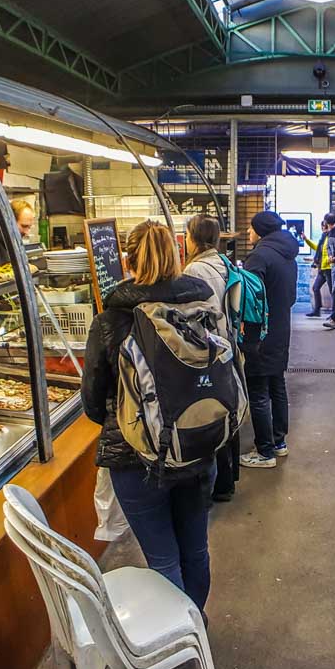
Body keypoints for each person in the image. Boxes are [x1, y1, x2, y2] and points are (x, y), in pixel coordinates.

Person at [81, 220, 218, 610]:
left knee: (163, 559)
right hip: (197, 443)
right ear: (178, 253)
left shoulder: (111, 320)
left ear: (128, 260)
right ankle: (195, 628)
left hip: (135, 456)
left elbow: (92, 401)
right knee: (196, 551)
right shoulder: (200, 304)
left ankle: (180, 636)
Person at [182, 214, 244, 502]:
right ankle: (227, 482)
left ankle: (217, 486)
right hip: (228, 344)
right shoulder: (222, 261)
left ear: (193, 238)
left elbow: (196, 315)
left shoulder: (196, 269)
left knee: (211, 414)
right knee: (226, 410)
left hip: (211, 350)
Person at [238, 210, 298, 469]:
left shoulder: (259, 256)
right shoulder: (288, 255)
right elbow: (292, 297)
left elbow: (249, 301)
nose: (249, 234)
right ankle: (278, 442)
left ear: (260, 230)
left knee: (259, 392)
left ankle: (264, 452)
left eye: (251, 229)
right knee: (277, 386)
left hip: (260, 336)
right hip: (281, 330)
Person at [304, 220, 332, 318]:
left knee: (334, 291)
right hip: (322, 268)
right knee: (315, 288)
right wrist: (306, 240)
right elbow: (318, 248)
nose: (323, 228)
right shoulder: (323, 238)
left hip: (328, 268)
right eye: (322, 227)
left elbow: (326, 251)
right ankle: (317, 310)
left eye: (324, 226)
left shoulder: (330, 237)